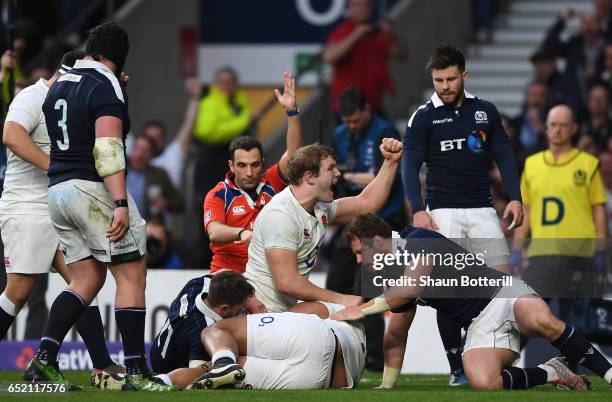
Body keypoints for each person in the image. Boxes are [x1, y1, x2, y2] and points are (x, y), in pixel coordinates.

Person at [25, 22, 172, 391]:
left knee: (87, 278)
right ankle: (137, 372)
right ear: (118, 57)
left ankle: (44, 358)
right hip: (90, 188)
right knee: (132, 270)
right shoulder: (104, 83)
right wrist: (120, 202)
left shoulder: (60, 81)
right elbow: (108, 148)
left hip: (57, 191)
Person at [336, 213, 612, 391]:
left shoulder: (417, 240)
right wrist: (386, 385)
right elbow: (396, 333)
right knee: (484, 382)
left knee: (539, 319)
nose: (359, 261)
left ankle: (609, 373)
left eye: (361, 252)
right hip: (478, 323)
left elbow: (410, 288)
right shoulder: (392, 276)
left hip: (501, 294)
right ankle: (552, 371)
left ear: (379, 241)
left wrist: (359, 309)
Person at [402, 45, 523, 385]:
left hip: (483, 209)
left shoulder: (485, 111)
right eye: (438, 80)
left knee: (503, 287)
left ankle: (498, 358)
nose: (444, 86)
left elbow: (504, 154)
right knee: (452, 290)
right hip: (443, 212)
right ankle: (456, 368)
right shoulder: (423, 117)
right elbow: (410, 167)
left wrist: (515, 197)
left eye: (451, 78)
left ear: (464, 75)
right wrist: (418, 209)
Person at [0, 49, 122, 379]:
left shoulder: (75, 104)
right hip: (27, 207)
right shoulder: (33, 96)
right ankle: (90, 363)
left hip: (59, 205)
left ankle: (100, 364)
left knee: (83, 282)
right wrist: (55, 167)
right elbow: (10, 135)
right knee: (19, 292)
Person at [243, 137, 403, 314]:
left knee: (350, 317)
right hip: (263, 313)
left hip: (284, 310)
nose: (338, 174)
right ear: (310, 177)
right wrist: (341, 298)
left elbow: (367, 203)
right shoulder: (280, 215)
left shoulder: (319, 208)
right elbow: (286, 282)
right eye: (330, 168)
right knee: (345, 315)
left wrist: (390, 162)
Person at [328, 86, 405, 370]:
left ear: (367, 110)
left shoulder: (384, 132)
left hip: (383, 223)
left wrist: (346, 175)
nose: (350, 126)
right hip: (352, 224)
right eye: (346, 121)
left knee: (368, 288)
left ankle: (372, 357)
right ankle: (336, 347)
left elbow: (376, 176)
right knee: (336, 282)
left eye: (355, 120)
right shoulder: (339, 134)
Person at [512, 105, 608, 321]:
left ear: (573, 128)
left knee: (578, 321)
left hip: (580, 253)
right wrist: (518, 249)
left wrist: (601, 249)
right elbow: (525, 209)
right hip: (541, 254)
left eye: (563, 125)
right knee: (525, 317)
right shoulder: (532, 164)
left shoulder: (588, 164)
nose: (557, 130)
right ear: (545, 128)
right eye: (553, 125)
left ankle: (572, 356)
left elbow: (598, 210)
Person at [203, 71, 302, 274]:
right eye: (242, 165)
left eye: (255, 165)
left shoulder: (272, 181)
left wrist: (291, 112)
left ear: (262, 164)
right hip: (227, 276)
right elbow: (214, 231)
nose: (249, 172)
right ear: (231, 166)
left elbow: (293, 155)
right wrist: (242, 233)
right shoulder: (218, 194)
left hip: (267, 276)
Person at [188, 301, 365, 390]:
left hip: (314, 337)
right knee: (221, 375)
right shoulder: (357, 329)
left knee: (218, 331)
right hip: (321, 380)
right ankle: (164, 381)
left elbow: (296, 312)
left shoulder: (343, 308)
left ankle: (167, 379)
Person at [142, 271, 253, 389]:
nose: (243, 310)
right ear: (224, 308)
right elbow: (199, 376)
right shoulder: (205, 334)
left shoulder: (198, 284)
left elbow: (222, 276)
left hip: (159, 348)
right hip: (169, 369)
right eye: (241, 309)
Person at [322, 0, 407, 115]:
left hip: (373, 105)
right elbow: (329, 57)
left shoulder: (378, 32)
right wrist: (355, 35)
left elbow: (402, 55)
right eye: (357, 5)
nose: (362, 9)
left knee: (387, 132)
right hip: (347, 106)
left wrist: (393, 35)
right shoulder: (342, 31)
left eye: (366, 5)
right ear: (349, 8)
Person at [142, 77, 202, 188]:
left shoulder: (172, 155)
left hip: (170, 204)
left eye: (156, 138)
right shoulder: (133, 160)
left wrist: (195, 96)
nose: (152, 142)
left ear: (163, 140)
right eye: (149, 138)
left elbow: (189, 124)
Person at [126, 134, 183, 221]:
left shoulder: (159, 175)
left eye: (145, 151)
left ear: (151, 155)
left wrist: (165, 203)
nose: (140, 154)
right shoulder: (118, 169)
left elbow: (179, 203)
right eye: (137, 148)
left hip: (148, 227)